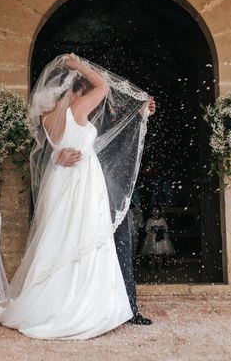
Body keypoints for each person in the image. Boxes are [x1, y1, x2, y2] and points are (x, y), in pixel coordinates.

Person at [0, 53, 151, 339]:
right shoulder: (76, 110)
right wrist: (79, 66)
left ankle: (52, 299)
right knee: (84, 237)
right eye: (84, 91)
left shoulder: (46, 118)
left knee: (60, 238)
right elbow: (102, 86)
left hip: (59, 180)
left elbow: (50, 151)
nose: (93, 99)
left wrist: (55, 158)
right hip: (81, 183)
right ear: (77, 91)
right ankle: (81, 304)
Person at [57, 95, 156, 325]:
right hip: (79, 191)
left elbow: (123, 130)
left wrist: (143, 113)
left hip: (111, 189)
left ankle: (129, 308)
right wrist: (57, 155)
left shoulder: (109, 110)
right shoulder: (67, 112)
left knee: (121, 247)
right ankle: (85, 308)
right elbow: (50, 142)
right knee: (83, 248)